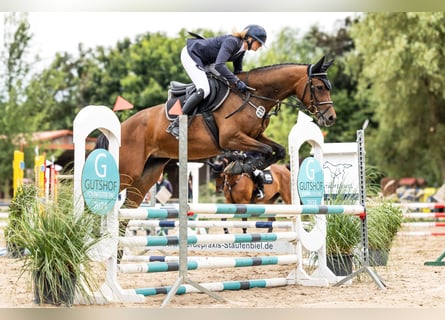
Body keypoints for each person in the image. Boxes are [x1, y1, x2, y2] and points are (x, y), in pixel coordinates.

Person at [166, 24, 267, 138]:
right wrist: (238, 82)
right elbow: (219, 66)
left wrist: (245, 84)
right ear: (249, 38)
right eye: (259, 43)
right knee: (205, 89)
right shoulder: (232, 42)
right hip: (191, 55)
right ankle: (177, 123)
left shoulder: (241, 50)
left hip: (207, 62)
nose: (260, 46)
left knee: (226, 83)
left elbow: (238, 72)